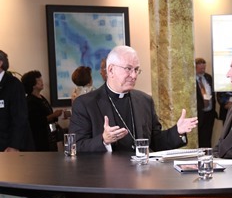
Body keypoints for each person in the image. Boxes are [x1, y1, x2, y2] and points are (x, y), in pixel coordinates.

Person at [69, 45, 198, 152]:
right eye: (128, 69)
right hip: (106, 178)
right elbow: (76, 147)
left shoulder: (145, 101)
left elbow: (156, 142)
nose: (134, 75)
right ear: (111, 70)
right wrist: (104, 140)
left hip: (141, 177)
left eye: (136, 70)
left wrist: (177, 131)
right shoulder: (85, 104)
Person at [0, 50, 34, 152]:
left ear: (0, 62)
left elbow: (20, 117)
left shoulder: (14, 84)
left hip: (10, 148)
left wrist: (14, 145)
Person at [21, 70, 63, 151]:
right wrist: (54, 115)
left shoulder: (42, 97)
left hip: (50, 136)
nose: (42, 81)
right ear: (33, 85)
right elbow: (37, 121)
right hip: (41, 139)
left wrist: (55, 116)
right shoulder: (30, 101)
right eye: (39, 80)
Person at [195, 57, 217, 147]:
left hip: (209, 113)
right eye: (200, 68)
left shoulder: (208, 77)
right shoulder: (191, 79)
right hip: (199, 114)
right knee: (199, 138)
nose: (203, 70)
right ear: (195, 67)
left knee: (207, 138)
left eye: (204, 68)